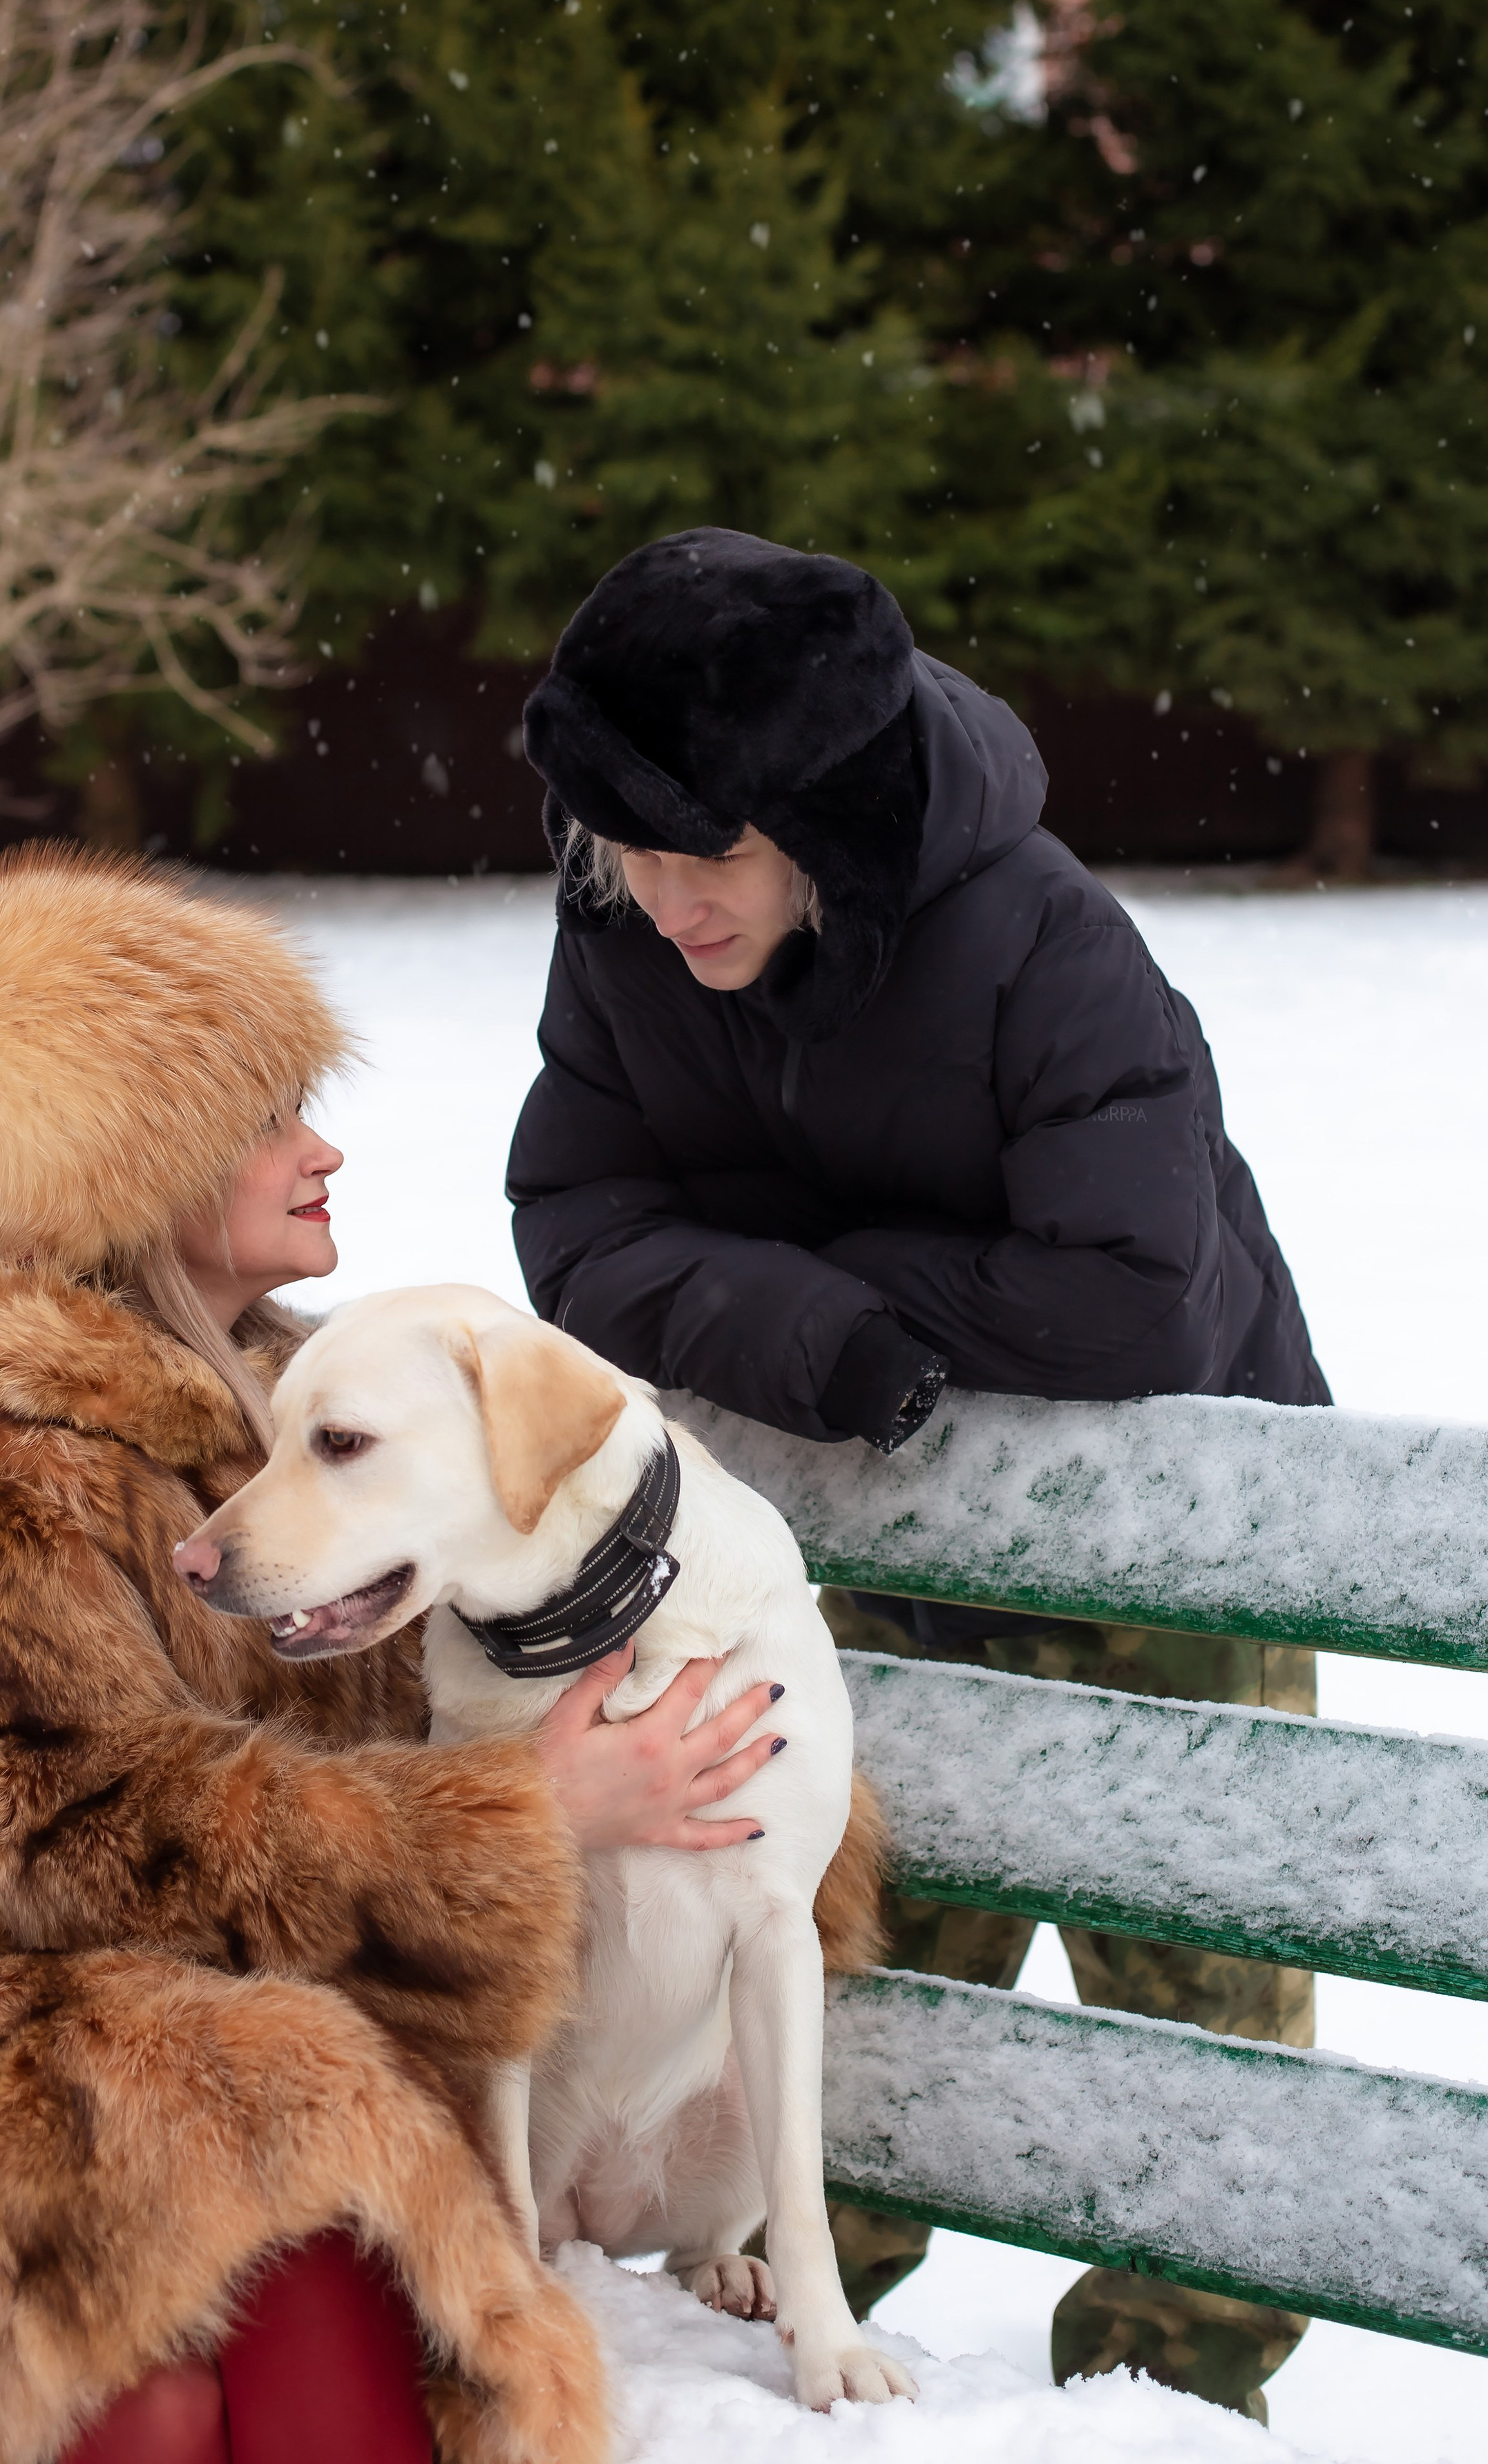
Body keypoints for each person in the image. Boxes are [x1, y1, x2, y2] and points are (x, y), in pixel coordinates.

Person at [0, 845, 788, 2464]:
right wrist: (526, 1817)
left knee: (336, 2339)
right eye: (272, 1114)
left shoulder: (318, 1398)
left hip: (245, 2024)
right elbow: (86, 1834)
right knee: (150, 2387)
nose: (325, 1146)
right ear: (138, 1162)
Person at [506, 526, 1330, 2428]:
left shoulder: (1041, 940)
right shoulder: (627, 929)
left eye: (701, 848)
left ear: (821, 810)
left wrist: (839, 1306)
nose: (653, 895)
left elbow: (1132, 1295)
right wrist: (827, 1346)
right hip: (863, 1527)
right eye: (618, 844)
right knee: (850, 1977)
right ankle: (779, 2336)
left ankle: (1162, 2399)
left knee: (1191, 2012)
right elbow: (575, 1220)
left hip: (1167, 1551)